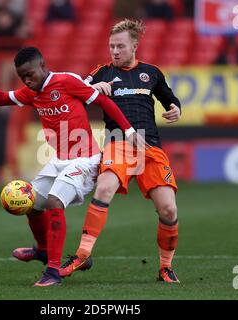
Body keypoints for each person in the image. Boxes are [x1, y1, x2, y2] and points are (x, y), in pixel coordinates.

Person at [0, 47, 140, 286]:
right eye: (22, 76)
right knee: (32, 204)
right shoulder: (31, 92)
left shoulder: (67, 81)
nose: (27, 80)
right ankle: (44, 250)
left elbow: (104, 102)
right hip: (58, 160)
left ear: (43, 66)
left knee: (55, 202)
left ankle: (53, 272)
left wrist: (128, 130)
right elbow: (2, 98)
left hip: (85, 160)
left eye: (30, 74)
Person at [59, 19, 182, 283]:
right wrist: (92, 88)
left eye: (120, 46)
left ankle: (165, 267)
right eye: (112, 46)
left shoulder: (152, 73)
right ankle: (82, 254)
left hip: (150, 147)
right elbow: (73, 92)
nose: (115, 51)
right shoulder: (101, 72)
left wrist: (175, 108)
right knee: (104, 188)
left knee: (169, 211)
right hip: (118, 142)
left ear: (135, 46)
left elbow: (169, 97)